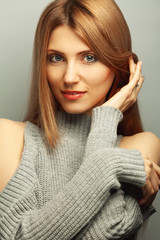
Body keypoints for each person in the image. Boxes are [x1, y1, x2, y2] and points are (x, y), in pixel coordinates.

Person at [0, 0, 160, 239]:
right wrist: (108, 164)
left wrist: (105, 121)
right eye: (56, 58)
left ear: (120, 66)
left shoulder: (141, 145)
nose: (69, 77)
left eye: (89, 57)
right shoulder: (9, 136)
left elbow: (104, 233)